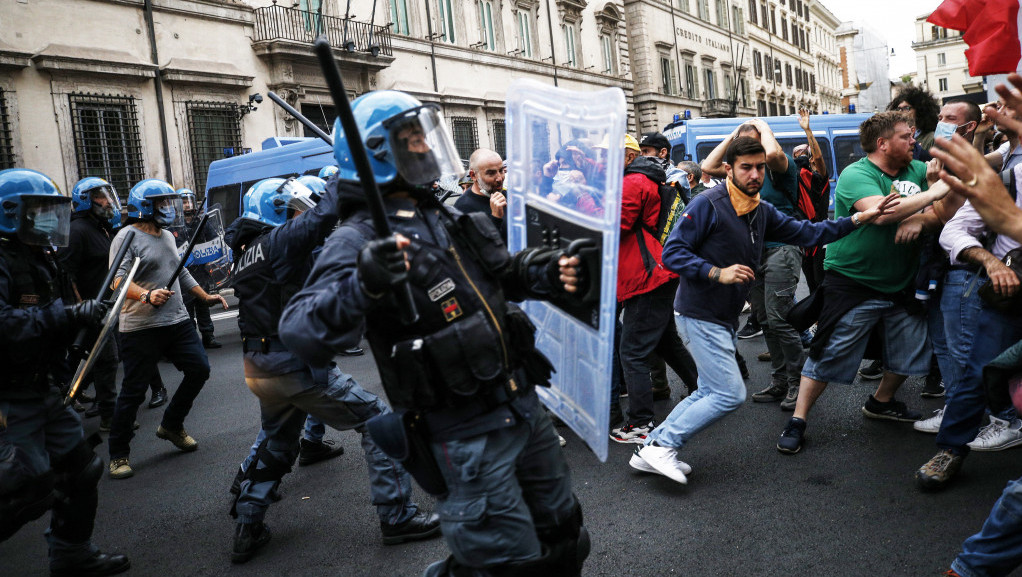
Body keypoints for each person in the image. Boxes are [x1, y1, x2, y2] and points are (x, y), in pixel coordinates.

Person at [279, 90, 590, 576]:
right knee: (504, 564)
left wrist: (549, 272)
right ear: (381, 154)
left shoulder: (444, 215)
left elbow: (503, 275)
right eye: (412, 139)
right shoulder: (358, 238)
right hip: (464, 431)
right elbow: (300, 330)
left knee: (566, 539)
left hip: (521, 404)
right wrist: (364, 282)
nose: (425, 147)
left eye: (425, 136)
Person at [627, 137, 898, 484]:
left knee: (708, 391)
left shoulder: (760, 209)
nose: (755, 174)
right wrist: (716, 272)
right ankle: (662, 445)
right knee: (728, 393)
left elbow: (809, 232)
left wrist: (859, 218)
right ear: (728, 169)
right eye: (746, 167)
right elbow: (673, 253)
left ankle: (651, 448)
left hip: (720, 316)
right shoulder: (709, 204)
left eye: (760, 167)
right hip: (700, 312)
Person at [226, 176, 439, 563]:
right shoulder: (278, 241)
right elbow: (321, 216)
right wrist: (347, 174)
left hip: (260, 366)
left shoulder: (247, 256)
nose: (297, 215)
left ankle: (247, 523)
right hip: (294, 364)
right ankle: (397, 517)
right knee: (379, 422)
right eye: (291, 209)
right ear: (275, 210)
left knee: (277, 444)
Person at [776, 111, 953, 455]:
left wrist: (922, 217)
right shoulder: (858, 173)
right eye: (905, 136)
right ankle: (798, 420)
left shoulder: (920, 171)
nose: (913, 141)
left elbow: (943, 215)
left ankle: (881, 401)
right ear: (882, 143)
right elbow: (882, 212)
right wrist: (933, 196)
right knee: (830, 352)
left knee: (910, 353)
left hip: (902, 283)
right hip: (854, 281)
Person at [0, 168, 130, 576]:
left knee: (81, 469)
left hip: (44, 387)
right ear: (10, 212)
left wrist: (80, 321)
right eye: (38, 211)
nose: (48, 219)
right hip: (8, 393)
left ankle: (72, 553)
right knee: (25, 487)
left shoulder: (40, 256)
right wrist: (68, 314)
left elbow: (48, 315)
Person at [106, 179, 228, 479]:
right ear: (145, 207)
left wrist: (204, 295)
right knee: (133, 392)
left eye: (168, 202)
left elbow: (179, 269)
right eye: (161, 203)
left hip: (176, 320)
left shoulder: (167, 236)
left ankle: (171, 425)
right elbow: (117, 281)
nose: (168, 208)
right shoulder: (126, 236)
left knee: (199, 369)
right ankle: (118, 454)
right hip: (140, 325)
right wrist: (146, 295)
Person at [703, 118, 805, 411]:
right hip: (753, 253)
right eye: (743, 148)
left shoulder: (776, 168)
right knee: (767, 321)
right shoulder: (742, 173)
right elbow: (709, 167)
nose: (750, 154)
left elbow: (772, 154)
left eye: (754, 144)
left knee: (780, 320)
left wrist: (762, 125)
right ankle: (781, 380)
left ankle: (799, 382)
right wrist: (734, 134)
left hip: (782, 249)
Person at [610, 135, 694, 444]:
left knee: (632, 351)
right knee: (665, 341)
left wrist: (587, 201)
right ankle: (702, 390)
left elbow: (614, 225)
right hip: (657, 272)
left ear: (629, 157)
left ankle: (641, 424)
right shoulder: (642, 178)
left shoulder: (633, 183)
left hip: (647, 276)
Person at [56, 177, 123, 425]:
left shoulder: (101, 227)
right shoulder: (77, 231)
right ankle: (108, 415)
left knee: (95, 360)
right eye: (100, 196)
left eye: (107, 194)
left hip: (105, 307)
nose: (107, 201)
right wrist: (82, 307)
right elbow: (66, 273)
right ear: (85, 200)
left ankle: (75, 399)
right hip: (90, 310)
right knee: (107, 359)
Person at [176, 188, 221, 350]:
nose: (188, 205)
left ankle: (208, 336)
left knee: (203, 304)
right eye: (184, 202)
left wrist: (211, 257)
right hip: (184, 272)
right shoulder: (174, 225)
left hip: (201, 270)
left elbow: (214, 238)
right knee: (187, 309)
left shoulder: (201, 221)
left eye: (190, 201)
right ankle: (192, 340)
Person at [454, 148, 506, 226]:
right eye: (491, 173)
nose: (499, 178)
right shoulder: (463, 207)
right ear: (473, 175)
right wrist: (496, 217)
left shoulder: (506, 195)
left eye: (501, 171)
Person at [889, 85, 941, 162]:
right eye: (899, 109)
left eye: (906, 108)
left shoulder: (931, 138)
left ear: (920, 110)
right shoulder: (894, 136)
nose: (901, 112)